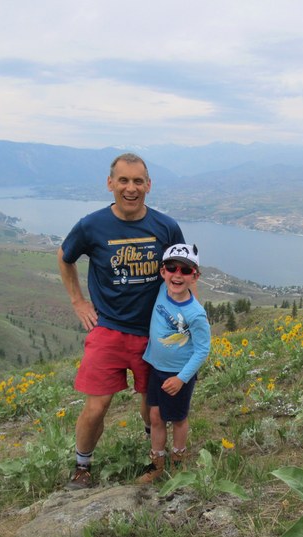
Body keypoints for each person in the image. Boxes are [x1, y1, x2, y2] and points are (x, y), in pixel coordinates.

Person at [58, 152, 185, 490]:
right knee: (96, 406)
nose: (131, 188)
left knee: (152, 407)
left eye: (138, 181)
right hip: (109, 330)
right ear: (110, 183)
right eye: (124, 181)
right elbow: (64, 255)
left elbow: (183, 272)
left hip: (153, 333)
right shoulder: (92, 225)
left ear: (149, 185)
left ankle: (156, 459)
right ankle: (82, 466)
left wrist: (186, 317)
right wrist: (78, 301)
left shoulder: (166, 226)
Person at [137, 243, 211, 484]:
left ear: (195, 276)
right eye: (171, 268)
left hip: (179, 375)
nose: (177, 274)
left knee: (178, 419)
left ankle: (178, 462)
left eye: (186, 271)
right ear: (162, 272)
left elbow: (202, 350)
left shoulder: (196, 313)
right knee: (156, 417)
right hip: (156, 369)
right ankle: (156, 464)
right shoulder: (162, 290)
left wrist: (182, 378)